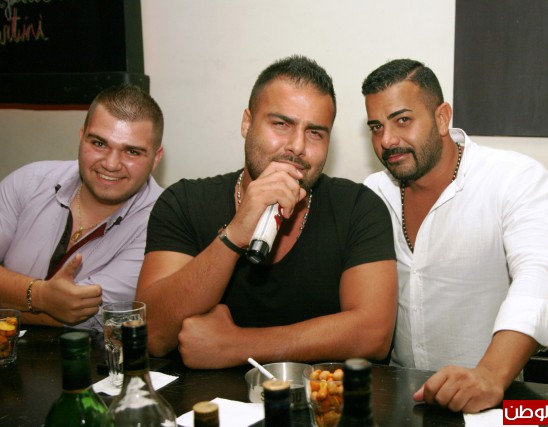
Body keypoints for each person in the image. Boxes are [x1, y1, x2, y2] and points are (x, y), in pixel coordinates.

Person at [136, 55, 398, 368]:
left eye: (315, 132)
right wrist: (235, 234)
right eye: (281, 124)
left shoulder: (358, 207)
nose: (297, 146)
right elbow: (152, 333)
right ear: (247, 123)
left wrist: (236, 346)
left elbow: (374, 336)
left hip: (318, 397)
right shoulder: (184, 202)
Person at [362, 59, 548, 413]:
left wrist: (490, 374)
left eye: (403, 120)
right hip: (400, 402)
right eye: (376, 127)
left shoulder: (513, 178)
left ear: (442, 117)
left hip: (493, 401)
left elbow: (543, 277)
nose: (387, 140)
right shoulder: (373, 193)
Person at [0, 84, 164, 331]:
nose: (111, 164)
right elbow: (62, 307)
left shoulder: (163, 220)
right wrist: (38, 295)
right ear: (81, 138)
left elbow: (89, 317)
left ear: (156, 158)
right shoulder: (30, 181)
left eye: (132, 152)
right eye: (99, 143)